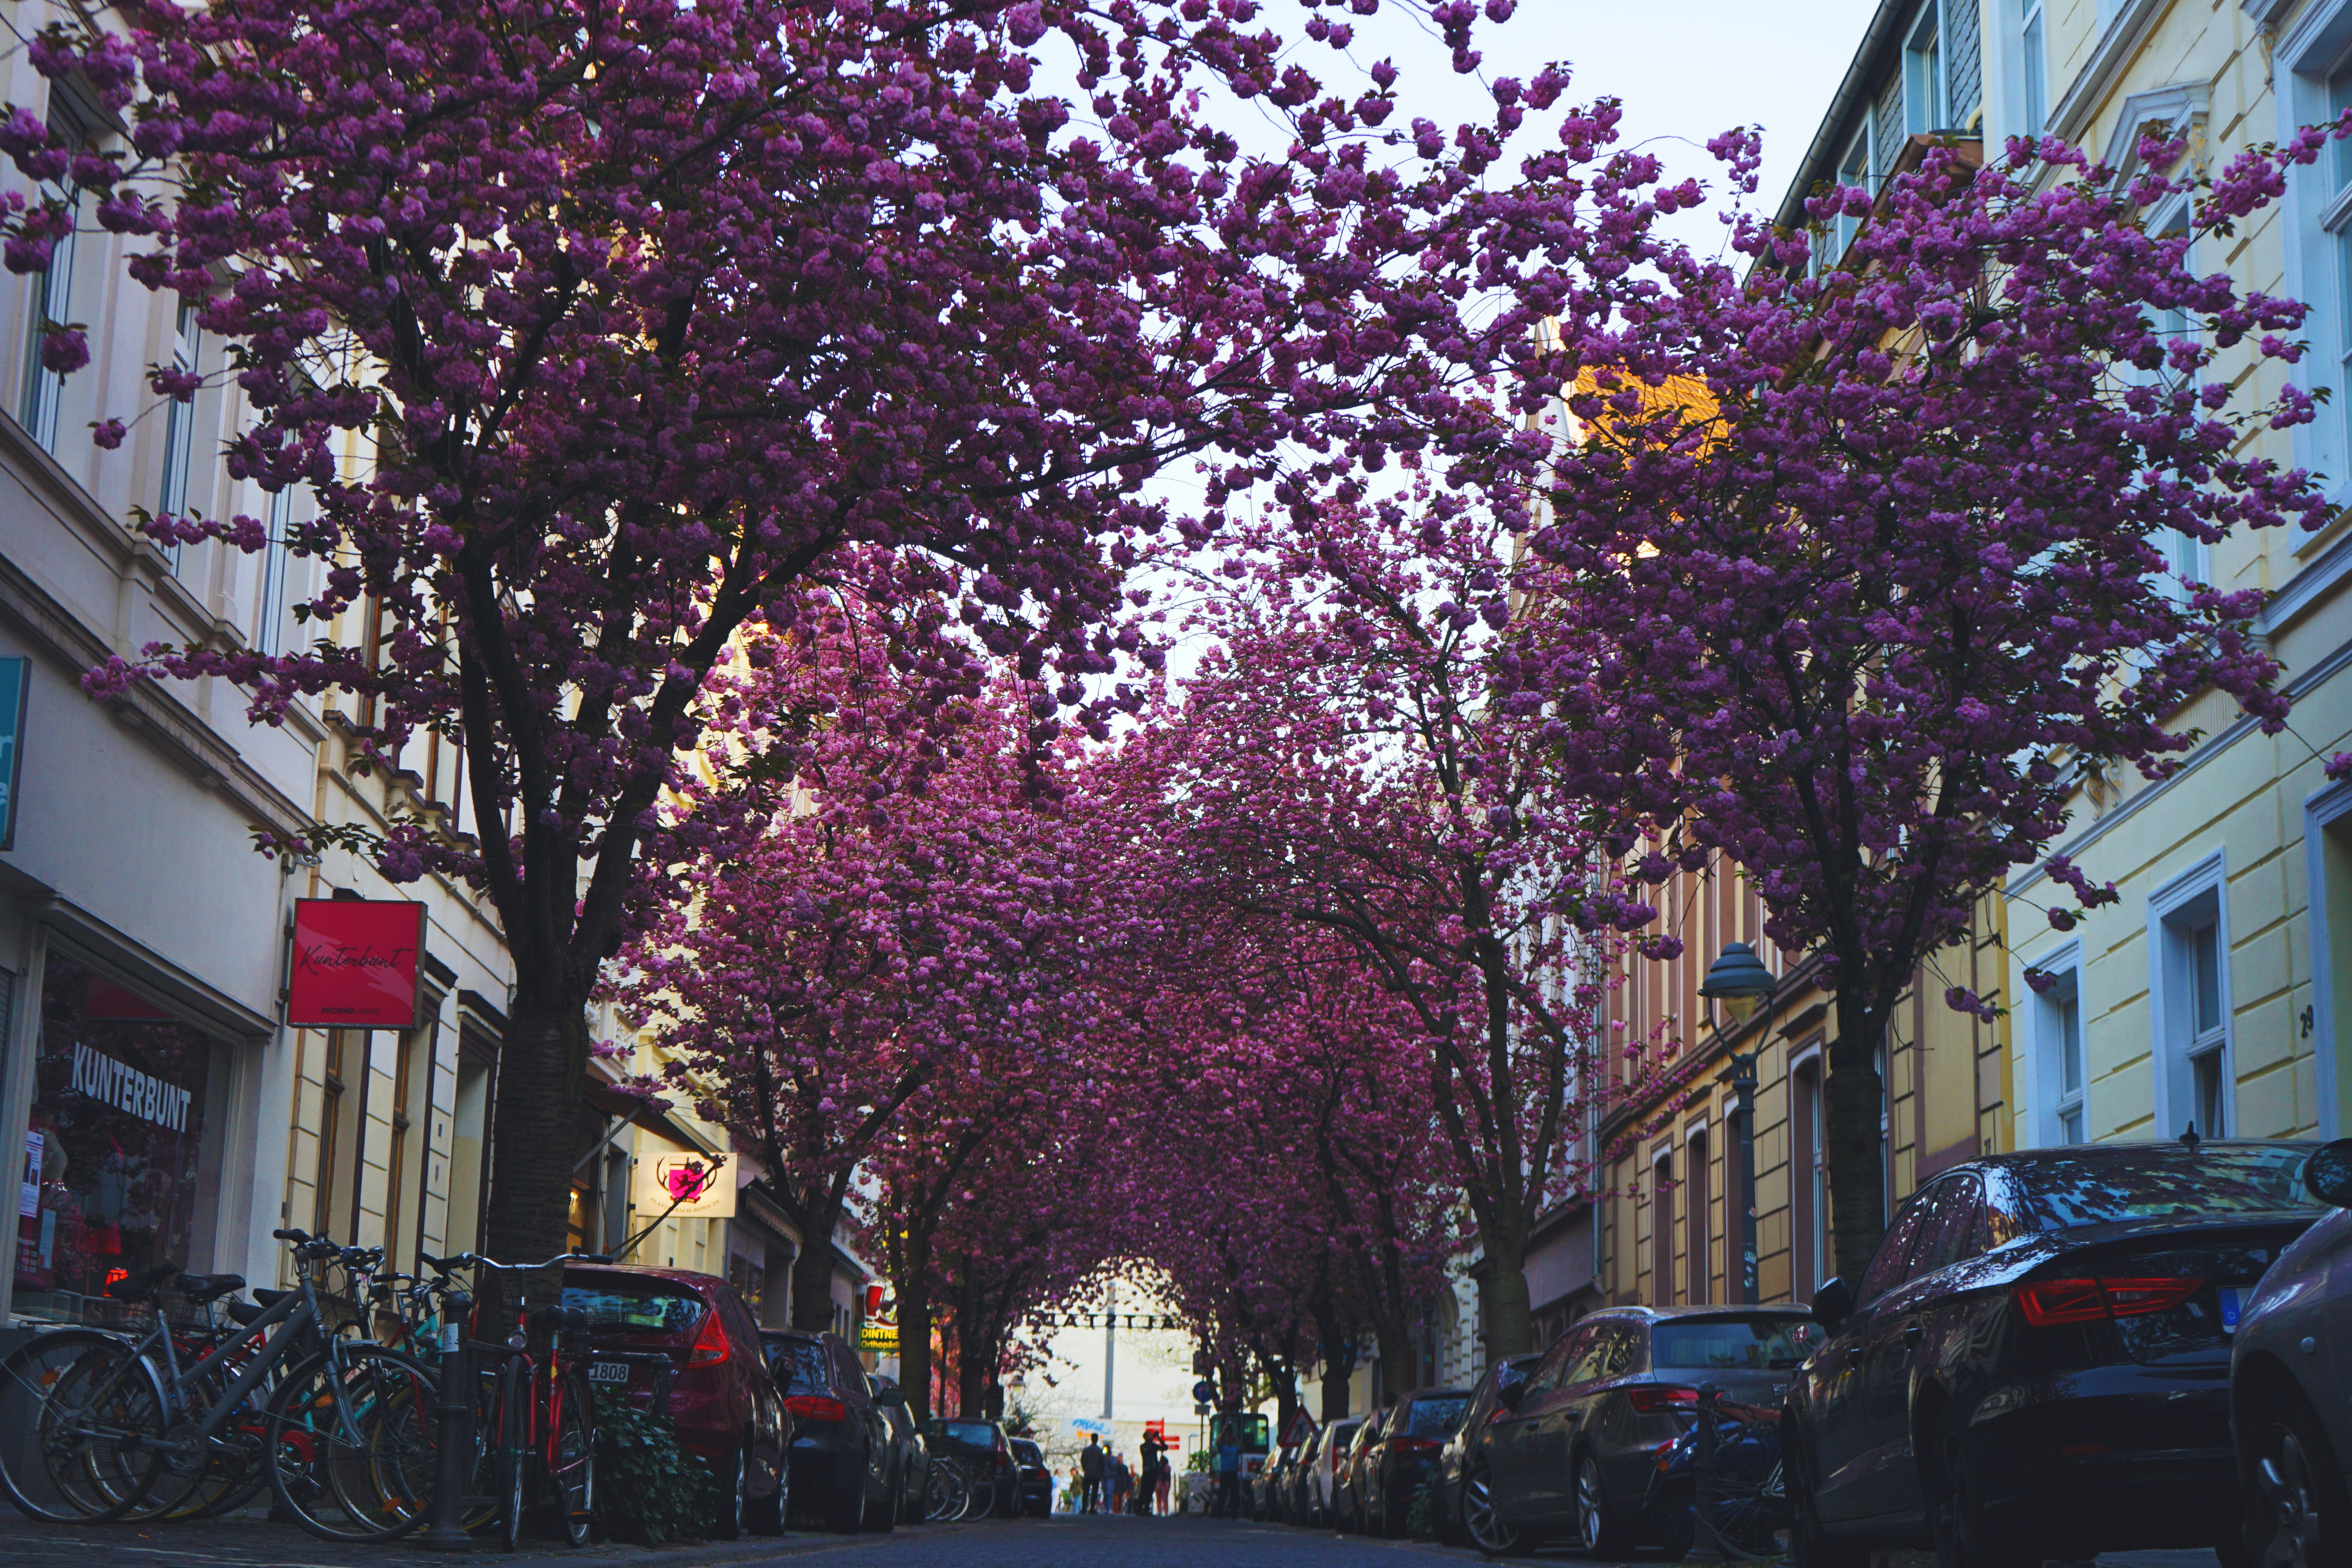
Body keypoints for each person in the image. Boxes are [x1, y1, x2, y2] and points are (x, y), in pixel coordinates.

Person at [1215, 1425, 1244, 1520]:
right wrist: (1223, 1431)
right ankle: (1220, 1514)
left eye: (1230, 1437)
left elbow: (1243, 1447)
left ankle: (1234, 1515)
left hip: (1233, 1473)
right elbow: (1217, 1442)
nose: (1229, 1439)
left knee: (1234, 1495)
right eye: (1227, 1437)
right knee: (1223, 1494)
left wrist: (1236, 1438)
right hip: (1225, 1473)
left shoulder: (1235, 1448)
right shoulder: (1223, 1448)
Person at [1138, 1431, 1164, 1518]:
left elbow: (1164, 1447)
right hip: (1147, 1470)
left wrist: (1159, 1438)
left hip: (1154, 1471)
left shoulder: (1154, 1446)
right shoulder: (1143, 1446)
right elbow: (1148, 1451)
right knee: (1144, 1490)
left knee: (1151, 1490)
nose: (1151, 1437)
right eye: (1149, 1435)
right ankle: (1140, 1509)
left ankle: (1146, 1509)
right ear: (1145, 1438)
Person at [1079, 1434, 1105, 1514]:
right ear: (1097, 1440)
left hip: (1088, 1473)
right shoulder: (1100, 1451)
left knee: (1086, 1492)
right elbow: (1103, 1463)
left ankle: (1084, 1508)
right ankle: (1092, 1509)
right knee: (1094, 1492)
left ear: (1091, 1439)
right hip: (1096, 1474)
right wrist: (1101, 1472)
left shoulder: (1086, 1450)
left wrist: (1085, 1469)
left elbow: (1082, 1460)